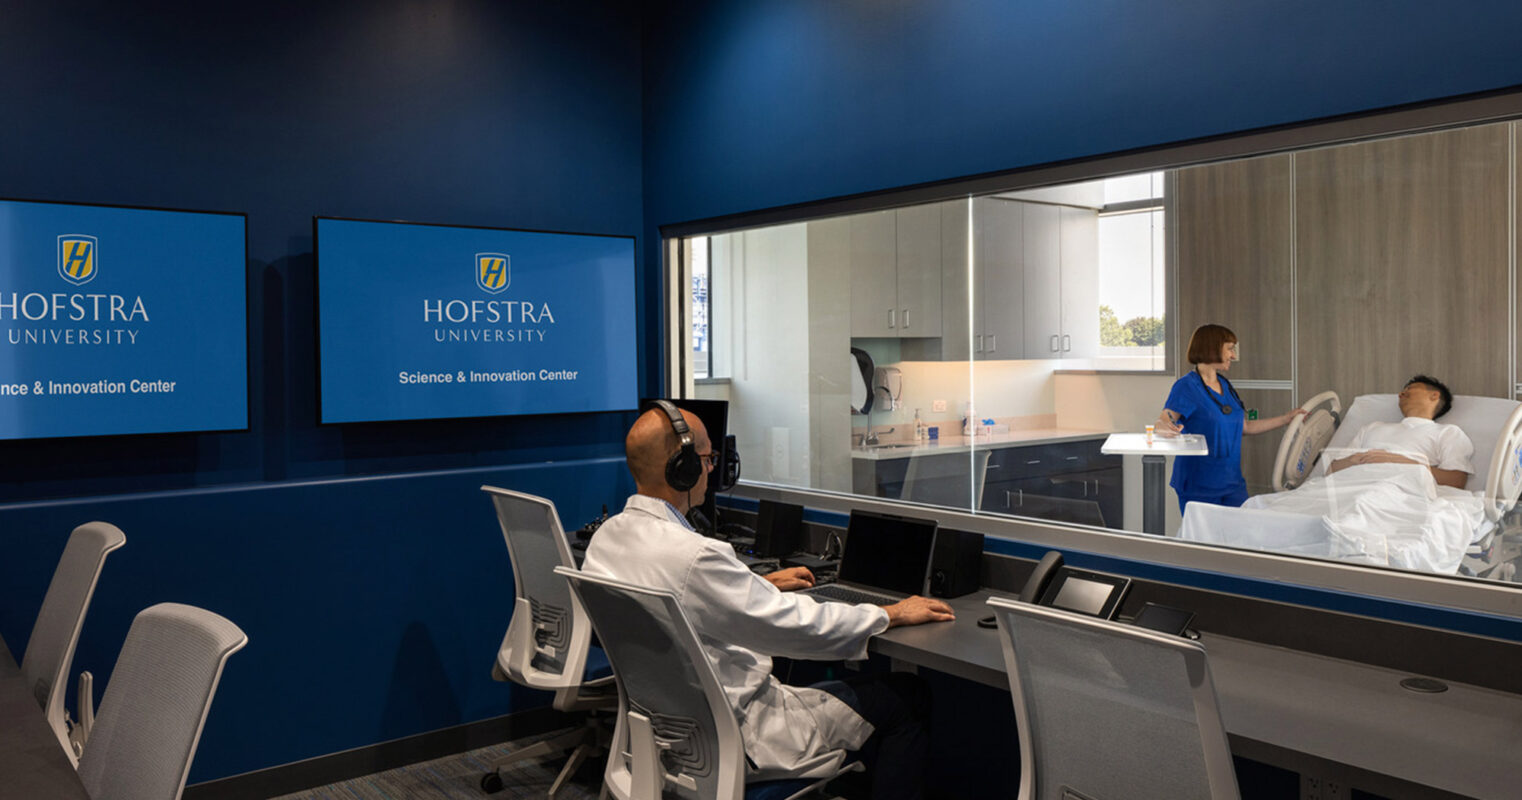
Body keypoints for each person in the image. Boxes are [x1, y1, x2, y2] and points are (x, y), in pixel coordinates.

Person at [582, 401, 954, 800]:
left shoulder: (607, 540)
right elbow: (795, 626)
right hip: (742, 737)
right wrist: (888, 614)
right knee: (908, 698)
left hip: (669, 739)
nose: (710, 469)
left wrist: (754, 583)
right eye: (707, 459)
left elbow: (688, 594)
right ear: (683, 468)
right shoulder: (695, 557)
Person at [1156, 324, 1305, 511]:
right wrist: (1163, 426)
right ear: (1212, 348)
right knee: (1205, 539)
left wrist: (1286, 419)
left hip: (1232, 483)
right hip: (1199, 485)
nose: (1233, 356)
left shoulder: (1225, 385)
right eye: (1230, 349)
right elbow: (1164, 418)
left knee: (1240, 536)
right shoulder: (1187, 387)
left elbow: (1245, 427)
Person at [1325, 375, 1472, 489]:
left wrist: (1398, 461)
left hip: (1401, 493)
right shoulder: (1372, 428)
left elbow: (1455, 481)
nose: (1401, 394)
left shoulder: (1447, 432)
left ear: (1434, 395)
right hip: (1350, 488)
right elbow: (1331, 471)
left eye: (1410, 388)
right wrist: (1356, 460)